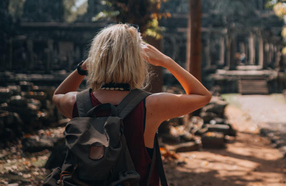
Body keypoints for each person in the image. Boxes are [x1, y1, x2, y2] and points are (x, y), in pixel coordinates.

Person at [52, 24, 212, 186]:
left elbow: (57, 94)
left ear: (96, 58)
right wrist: (166, 61)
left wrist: (81, 69)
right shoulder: (150, 105)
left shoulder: (77, 103)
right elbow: (202, 96)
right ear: (137, 61)